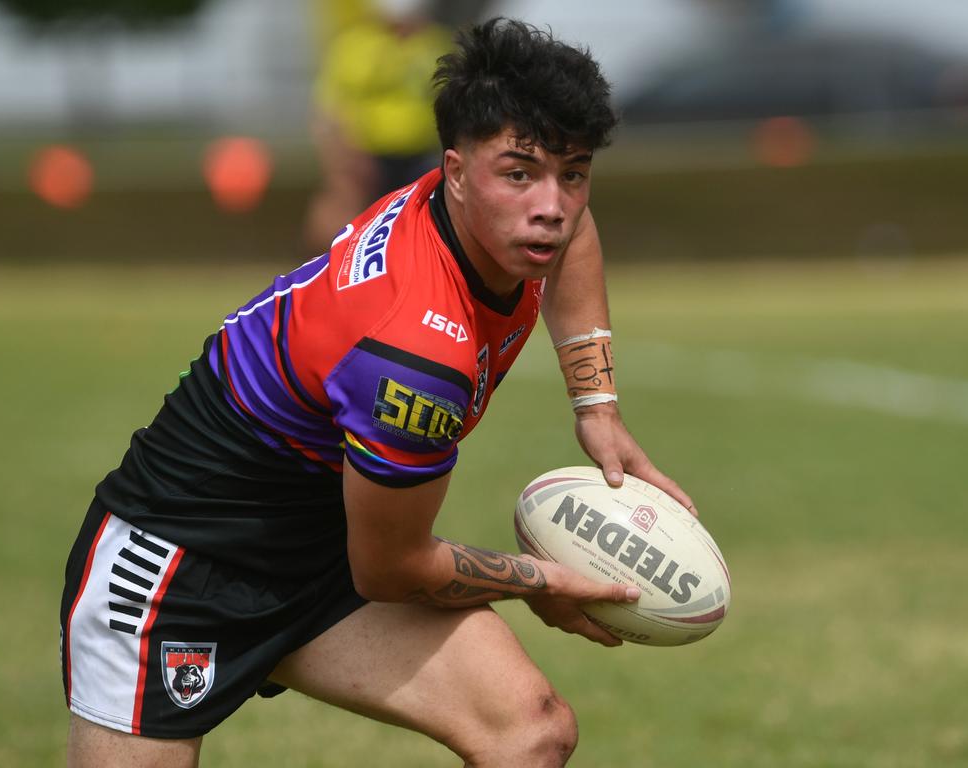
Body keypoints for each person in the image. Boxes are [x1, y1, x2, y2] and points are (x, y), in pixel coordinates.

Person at [60, 18, 695, 768]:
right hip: (180, 559)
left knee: (530, 731)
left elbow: (576, 236)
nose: (552, 206)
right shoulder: (416, 353)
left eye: (574, 171)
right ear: (456, 170)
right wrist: (539, 580)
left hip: (325, 541)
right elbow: (392, 569)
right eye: (519, 172)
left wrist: (598, 410)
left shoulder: (509, 223)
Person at [304, 0, 453, 253]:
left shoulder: (435, 45)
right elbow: (331, 109)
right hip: (365, 154)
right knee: (339, 207)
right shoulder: (353, 46)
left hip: (420, 155)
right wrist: (341, 156)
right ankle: (323, 268)